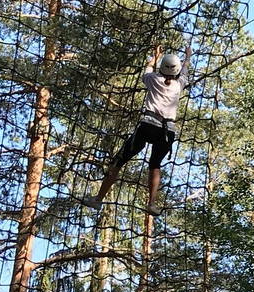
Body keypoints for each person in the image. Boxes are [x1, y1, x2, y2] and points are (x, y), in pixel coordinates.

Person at [82, 42, 192, 217]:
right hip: (167, 131)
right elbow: (185, 69)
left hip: (148, 125)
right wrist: (188, 55)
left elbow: (148, 68)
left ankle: (98, 200)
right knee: (155, 165)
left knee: (118, 161)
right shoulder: (180, 84)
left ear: (162, 68)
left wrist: (155, 55)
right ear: (176, 71)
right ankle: (152, 203)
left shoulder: (152, 79)